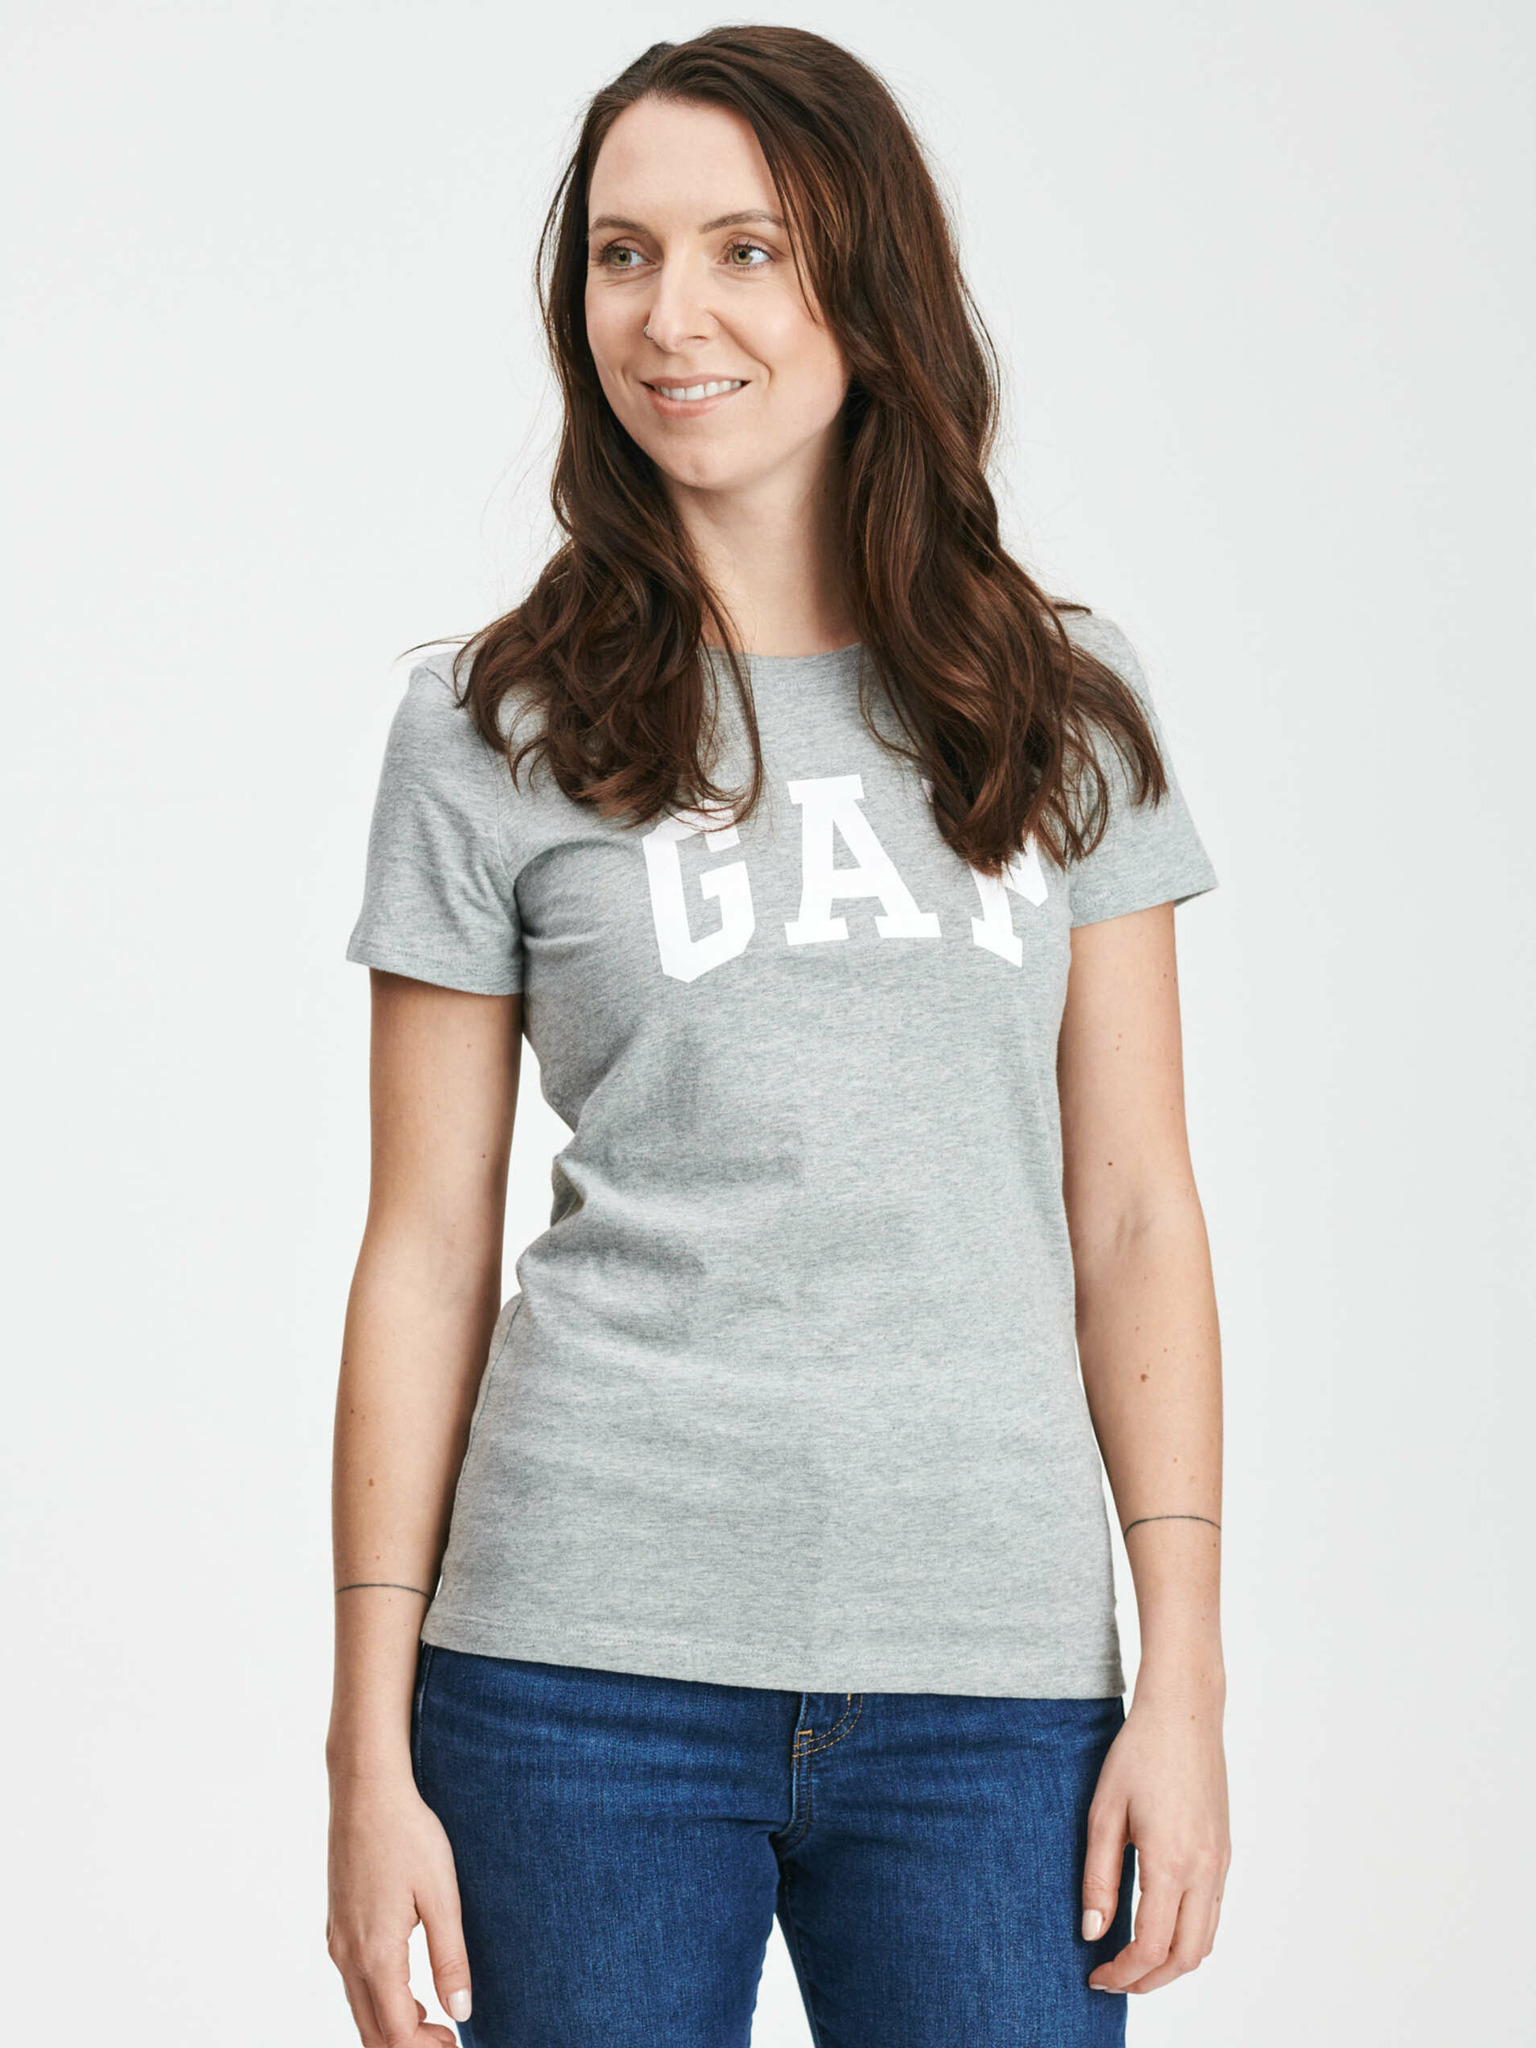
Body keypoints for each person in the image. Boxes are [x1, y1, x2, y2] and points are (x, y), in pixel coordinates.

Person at [325, 25, 1230, 2048]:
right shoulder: (487, 729)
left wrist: (1185, 1672)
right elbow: (423, 1248)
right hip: (574, 1676)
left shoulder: (1057, 711)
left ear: (868, 284)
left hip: (995, 1686)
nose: (674, 316)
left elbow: (1137, 1218)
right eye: (624, 254)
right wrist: (364, 1748)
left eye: (748, 249)